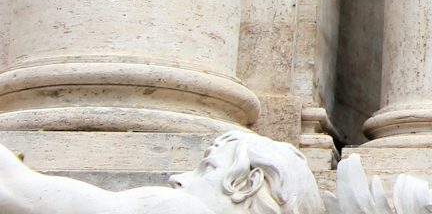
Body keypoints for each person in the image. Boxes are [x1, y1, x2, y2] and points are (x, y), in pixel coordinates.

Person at [0, 129, 323, 214]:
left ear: (247, 183)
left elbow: (19, 192)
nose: (176, 178)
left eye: (205, 168)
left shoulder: (181, 210)